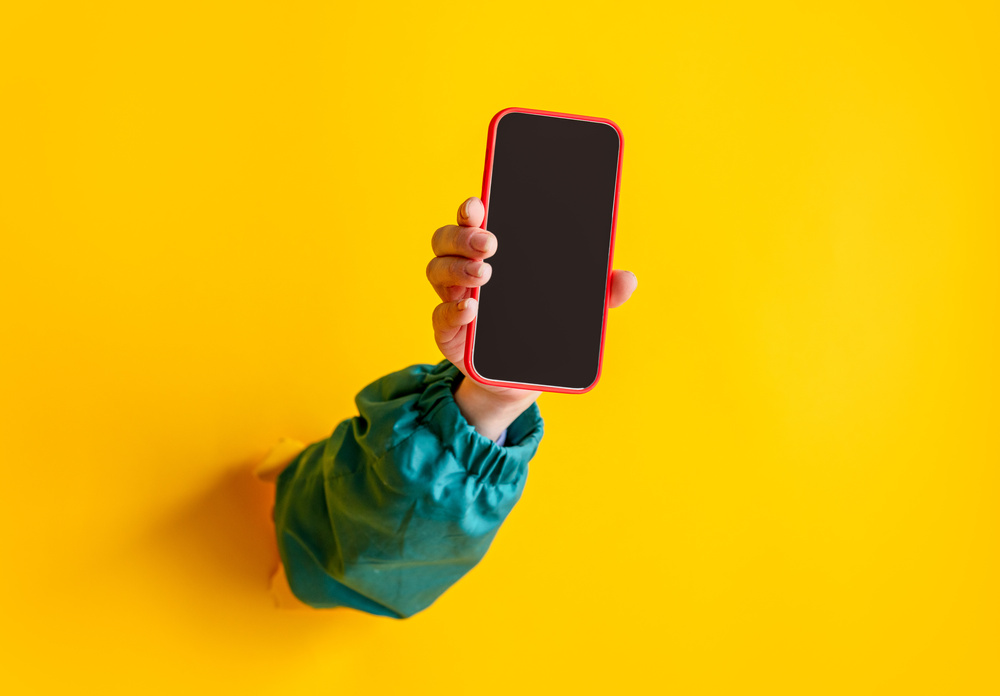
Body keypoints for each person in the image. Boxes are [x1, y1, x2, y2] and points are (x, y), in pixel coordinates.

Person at [255, 196, 638, 617]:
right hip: (357, 478)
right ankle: (296, 481)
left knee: (385, 485)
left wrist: (492, 400)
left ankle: (297, 560)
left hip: (343, 543)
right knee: (360, 468)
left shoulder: (443, 477)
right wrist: (487, 400)